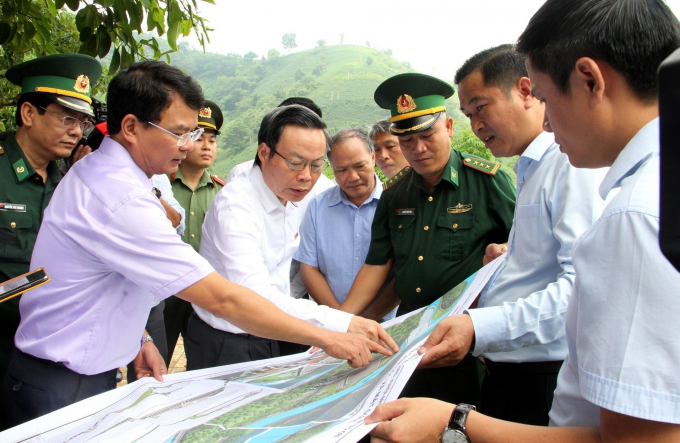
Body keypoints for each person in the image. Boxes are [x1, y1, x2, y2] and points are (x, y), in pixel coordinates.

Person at [0, 61, 396, 428]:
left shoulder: (117, 175)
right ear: (133, 126)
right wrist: (331, 334)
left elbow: (104, 282)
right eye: (179, 133)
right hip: (59, 382)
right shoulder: (120, 198)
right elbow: (225, 299)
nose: (189, 146)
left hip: (81, 370)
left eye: (193, 133)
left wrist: (139, 338)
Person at [366, 1, 680, 442]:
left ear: (590, 81)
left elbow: (641, 436)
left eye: (547, 99)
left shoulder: (631, 213)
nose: (547, 119)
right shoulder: (643, 185)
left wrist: (454, 419)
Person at [412, 44, 604, 426]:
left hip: (542, 375)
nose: (476, 125)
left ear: (526, 91)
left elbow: (581, 289)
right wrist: (509, 261)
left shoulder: (569, 165)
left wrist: (478, 327)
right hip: (510, 374)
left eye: (481, 107)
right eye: (468, 115)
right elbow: (547, 264)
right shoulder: (530, 169)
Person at [341, 73, 517, 406]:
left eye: (427, 135)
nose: (418, 149)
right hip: (408, 338)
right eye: (406, 141)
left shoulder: (487, 182)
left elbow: (525, 252)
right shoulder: (394, 197)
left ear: (448, 127)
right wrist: (339, 321)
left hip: (464, 340)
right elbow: (377, 266)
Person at [185, 105, 393, 371]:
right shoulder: (236, 207)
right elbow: (254, 298)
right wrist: (340, 325)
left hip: (273, 333)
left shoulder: (291, 193)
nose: (306, 176)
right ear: (264, 153)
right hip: (229, 342)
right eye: (295, 163)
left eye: (316, 165)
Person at [0, 54, 101, 430]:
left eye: (83, 121)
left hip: (49, 356)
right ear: (28, 113)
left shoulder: (70, 183)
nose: (77, 130)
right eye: (67, 118)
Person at [294, 128, 398, 325]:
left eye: (360, 166)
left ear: (373, 157)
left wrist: (358, 321)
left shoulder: (396, 203)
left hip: (385, 323)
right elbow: (309, 269)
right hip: (329, 323)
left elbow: (401, 272)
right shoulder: (317, 207)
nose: (352, 177)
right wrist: (340, 321)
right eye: (341, 170)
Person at [164, 100, 225, 362]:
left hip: (205, 290)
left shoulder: (223, 192)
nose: (207, 145)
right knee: (155, 362)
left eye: (212, 140)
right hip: (165, 290)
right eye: (200, 138)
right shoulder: (161, 188)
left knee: (202, 363)